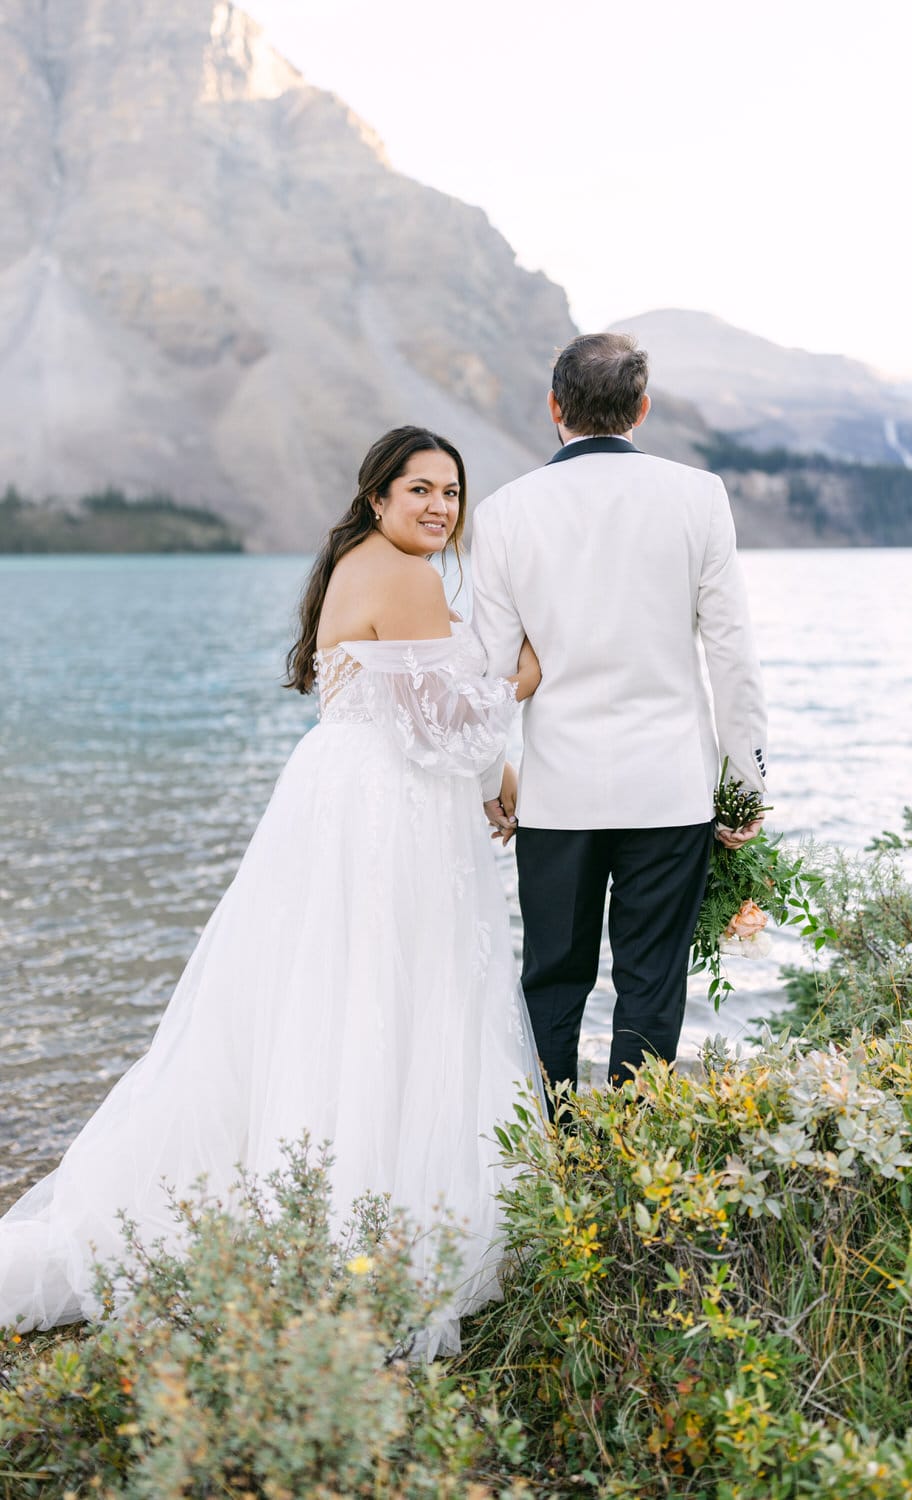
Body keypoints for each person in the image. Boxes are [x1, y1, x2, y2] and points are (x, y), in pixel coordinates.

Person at [0, 426, 543, 1358]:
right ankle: (367, 1215)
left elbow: (419, 716)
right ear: (377, 497)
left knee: (321, 994)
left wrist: (492, 776)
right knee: (390, 989)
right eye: (420, 490)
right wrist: (525, 676)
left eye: (452, 493)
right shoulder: (407, 574)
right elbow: (444, 728)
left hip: (342, 799)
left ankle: (304, 1186)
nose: (440, 508)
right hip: (385, 811)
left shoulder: (353, 565)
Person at [472, 333, 767, 1111]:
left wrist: (484, 781)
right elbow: (731, 653)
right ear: (641, 408)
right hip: (668, 792)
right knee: (649, 983)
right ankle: (635, 1156)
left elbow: (489, 675)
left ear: (552, 406)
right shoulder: (697, 495)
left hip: (557, 796)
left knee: (552, 978)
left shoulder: (503, 513)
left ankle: (552, 1150)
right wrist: (744, 783)